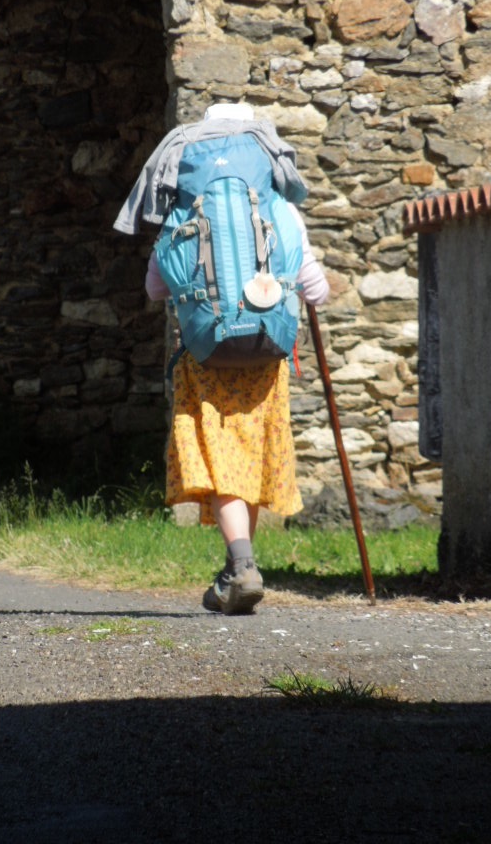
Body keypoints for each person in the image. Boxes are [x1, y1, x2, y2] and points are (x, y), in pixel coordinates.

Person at [145, 103, 330, 615]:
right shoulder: (280, 209)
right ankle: (237, 569)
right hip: (265, 357)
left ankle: (241, 566)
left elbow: (155, 287)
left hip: (206, 356)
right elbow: (317, 289)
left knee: (220, 457)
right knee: (246, 458)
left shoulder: (184, 209)